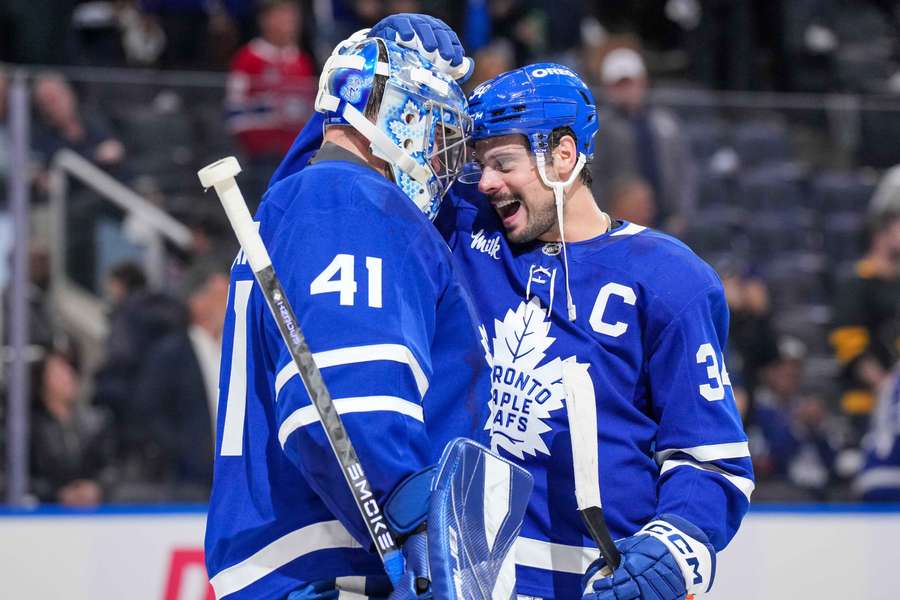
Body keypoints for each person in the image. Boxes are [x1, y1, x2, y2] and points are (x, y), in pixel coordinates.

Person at [205, 32, 491, 600]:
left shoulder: (315, 198)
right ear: (394, 113)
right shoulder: (350, 200)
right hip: (332, 573)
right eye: (434, 129)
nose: (440, 154)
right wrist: (419, 528)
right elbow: (352, 407)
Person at [132, 258, 230, 500]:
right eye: (223, 296)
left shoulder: (235, 354)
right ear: (198, 303)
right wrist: (189, 454)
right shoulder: (171, 353)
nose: (230, 304)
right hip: (188, 485)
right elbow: (148, 411)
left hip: (231, 482)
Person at [590, 47, 696, 236]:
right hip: (622, 222)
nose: (626, 90)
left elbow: (684, 170)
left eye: (630, 83)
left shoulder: (665, 122)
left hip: (666, 220)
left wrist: (682, 214)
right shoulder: (598, 127)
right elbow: (594, 175)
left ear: (643, 82)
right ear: (608, 87)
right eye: (619, 85)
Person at [829, 210, 900, 442]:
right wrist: (887, 387)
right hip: (865, 404)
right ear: (880, 237)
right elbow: (851, 348)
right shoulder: (857, 283)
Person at [225, 0, 316, 162]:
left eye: (292, 16)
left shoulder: (302, 61)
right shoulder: (247, 58)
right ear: (265, 19)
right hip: (260, 155)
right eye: (281, 16)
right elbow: (234, 108)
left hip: (297, 153)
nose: (289, 23)